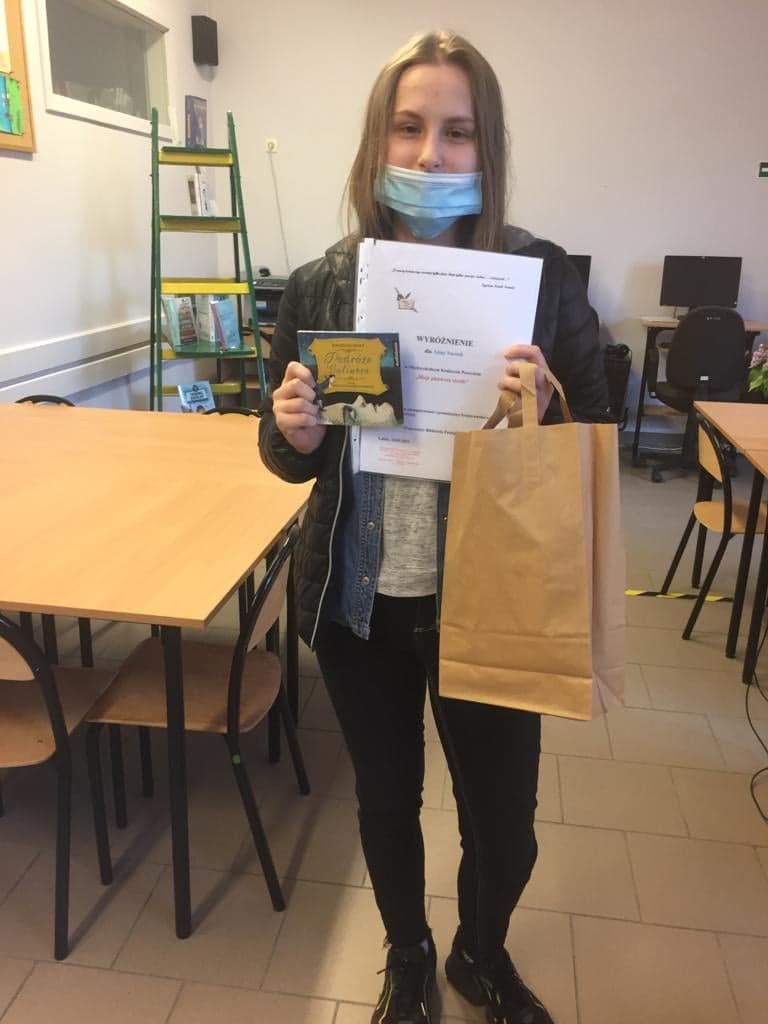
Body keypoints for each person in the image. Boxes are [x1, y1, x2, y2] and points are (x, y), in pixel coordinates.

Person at [259, 30, 609, 1024]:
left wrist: (547, 410)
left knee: (505, 827)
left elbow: (597, 439)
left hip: (490, 597)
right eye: (408, 128)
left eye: (457, 132)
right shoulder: (323, 281)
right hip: (359, 594)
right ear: (377, 141)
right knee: (385, 801)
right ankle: (408, 954)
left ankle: (479, 952)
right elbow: (288, 453)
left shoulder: (539, 276)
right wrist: (292, 430)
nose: (429, 154)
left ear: (486, 148)